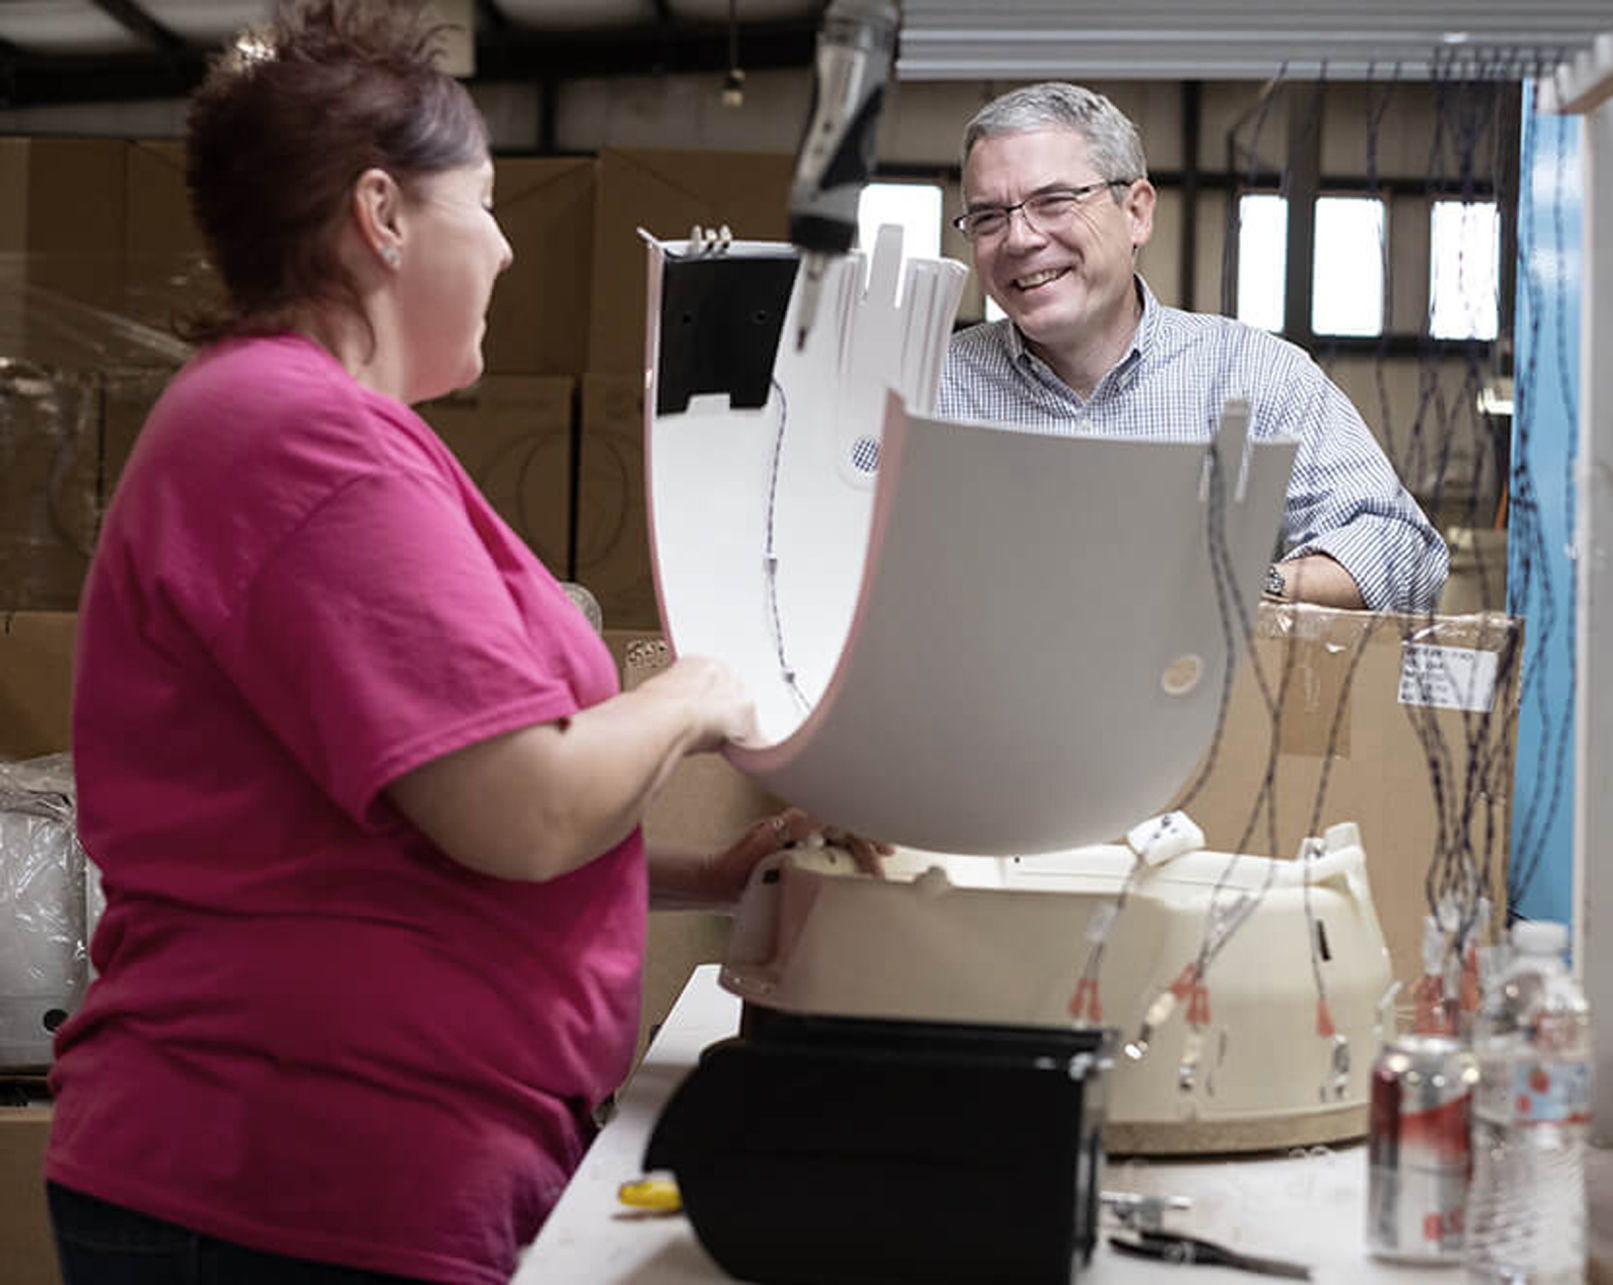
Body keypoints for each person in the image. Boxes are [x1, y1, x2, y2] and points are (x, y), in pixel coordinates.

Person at [42, 4, 880, 1283]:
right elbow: (520, 812)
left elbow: (399, 825)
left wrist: (705, 868)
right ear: (382, 215)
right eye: (482, 204)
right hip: (289, 1181)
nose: (501, 248)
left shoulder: (313, 431)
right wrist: (697, 693)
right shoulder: (295, 438)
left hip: (345, 1170)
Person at [939, 82, 1449, 614]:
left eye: (1053, 202)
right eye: (989, 218)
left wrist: (1240, 581)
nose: (1020, 239)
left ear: (1136, 212)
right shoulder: (928, 385)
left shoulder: (1256, 375)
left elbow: (1406, 553)